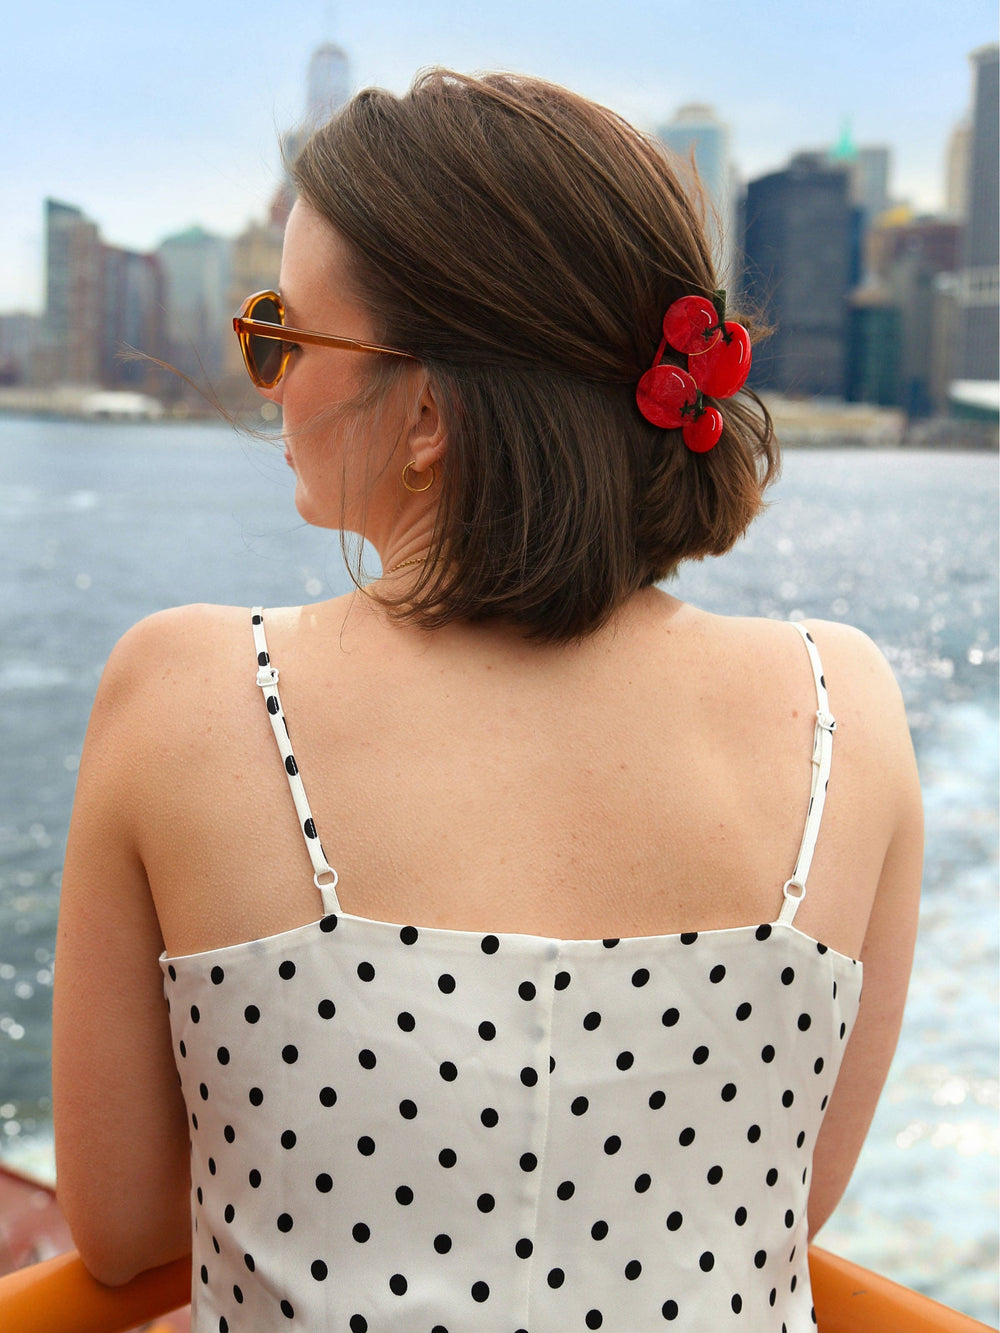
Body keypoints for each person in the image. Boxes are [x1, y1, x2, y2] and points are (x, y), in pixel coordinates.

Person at [52, 70, 922, 1331]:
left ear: (424, 413)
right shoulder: (845, 706)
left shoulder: (186, 690)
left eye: (282, 334)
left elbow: (127, 1229)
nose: (268, 380)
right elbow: (784, 1208)